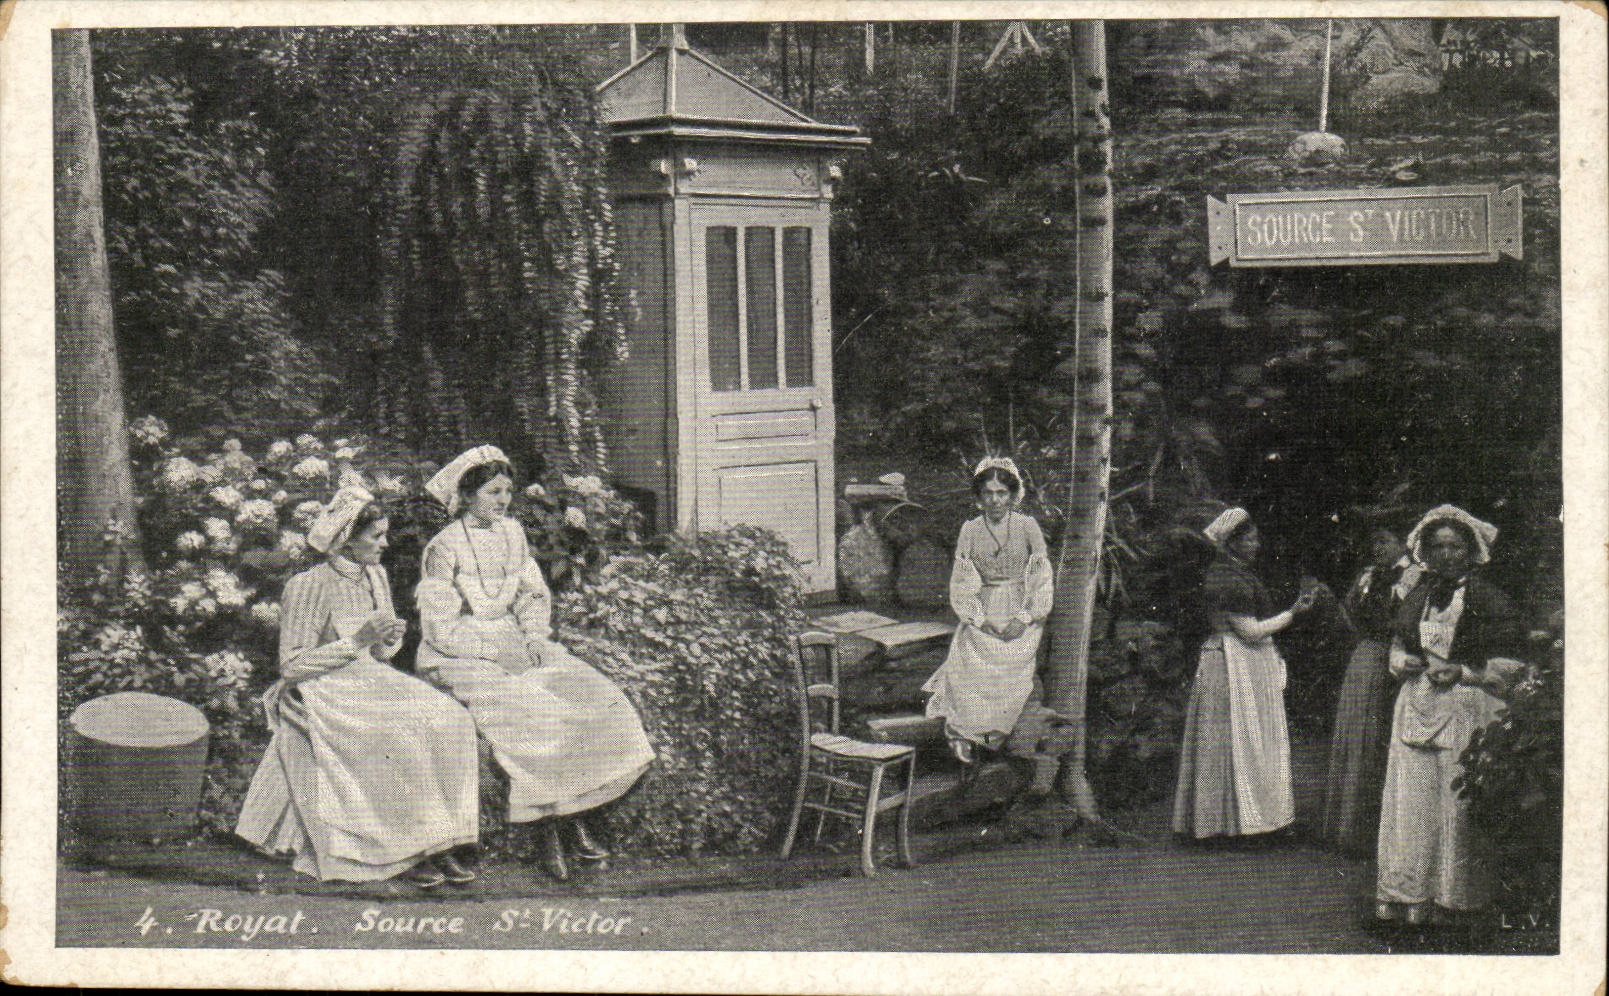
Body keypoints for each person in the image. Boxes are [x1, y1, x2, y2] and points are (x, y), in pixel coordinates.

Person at [415, 446, 654, 879]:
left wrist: (532, 636)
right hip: (459, 652)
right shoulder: (443, 546)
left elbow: (531, 594)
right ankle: (551, 831)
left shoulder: (513, 533)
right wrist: (492, 652)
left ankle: (573, 816)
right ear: (467, 495)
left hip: (514, 640)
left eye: (507, 491)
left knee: (596, 695)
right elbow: (439, 627)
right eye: (492, 491)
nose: (503, 500)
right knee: (532, 711)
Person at [236, 485, 480, 889]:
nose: (384, 544)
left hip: (368, 677)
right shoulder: (309, 584)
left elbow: (382, 654)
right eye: (376, 536)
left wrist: (388, 638)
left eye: (384, 534)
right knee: (397, 732)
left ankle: (443, 841)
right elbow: (292, 665)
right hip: (322, 686)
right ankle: (407, 849)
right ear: (347, 538)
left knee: (451, 717)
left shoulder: (376, 576)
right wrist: (355, 641)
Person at [1375, 505, 1526, 926]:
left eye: (1454, 545)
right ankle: (1409, 894)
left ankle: (1455, 899)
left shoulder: (1489, 598)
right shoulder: (1418, 594)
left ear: (1470, 550)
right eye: (1437, 545)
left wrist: (1463, 671)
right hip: (1417, 702)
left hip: (1466, 704)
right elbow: (1399, 643)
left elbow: (1510, 663)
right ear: (1426, 550)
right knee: (1411, 801)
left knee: (1455, 801)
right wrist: (1400, 660)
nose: (1445, 554)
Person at [1172, 507, 1318, 842]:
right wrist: (1293, 613)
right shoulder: (1226, 577)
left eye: (1256, 538)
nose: (1256, 544)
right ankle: (1231, 824)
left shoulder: (1236, 573)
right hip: (1232, 665)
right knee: (1238, 739)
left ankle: (1247, 821)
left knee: (1246, 740)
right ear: (1231, 543)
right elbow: (1250, 632)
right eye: (1248, 539)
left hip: (1245, 665)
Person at [922, 457, 1054, 765]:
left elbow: (1041, 577)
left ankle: (988, 739)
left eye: (1001, 493)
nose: (995, 500)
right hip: (985, 606)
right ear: (979, 497)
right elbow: (962, 580)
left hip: (1021, 609)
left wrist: (1025, 617)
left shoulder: (1027, 527)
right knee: (970, 658)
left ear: (1012, 495)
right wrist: (980, 618)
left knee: (1010, 669)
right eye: (988, 493)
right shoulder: (969, 530)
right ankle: (967, 736)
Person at [1320, 526, 1424, 856]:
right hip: (1366, 657)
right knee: (1356, 735)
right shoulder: (1368, 576)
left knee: (1381, 735)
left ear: (1402, 542)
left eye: (1385, 540)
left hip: (1395, 659)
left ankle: (1380, 832)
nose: (1378, 547)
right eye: (1374, 541)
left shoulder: (1415, 576)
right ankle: (1349, 829)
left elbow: (1406, 621)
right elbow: (1348, 613)